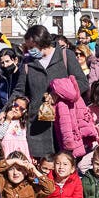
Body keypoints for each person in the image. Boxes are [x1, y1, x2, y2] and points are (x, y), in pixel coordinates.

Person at [12, 25, 89, 159]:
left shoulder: (66, 56)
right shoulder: (27, 63)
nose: (29, 51)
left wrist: (58, 94)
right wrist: (5, 110)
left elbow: (82, 83)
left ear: (41, 43)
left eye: (31, 47)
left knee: (65, 166)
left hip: (66, 124)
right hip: (38, 128)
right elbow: (19, 91)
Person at [48, 76, 97, 160]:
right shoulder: (77, 97)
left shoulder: (61, 104)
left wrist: (68, 146)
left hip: (71, 144)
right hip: (80, 138)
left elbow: (65, 127)